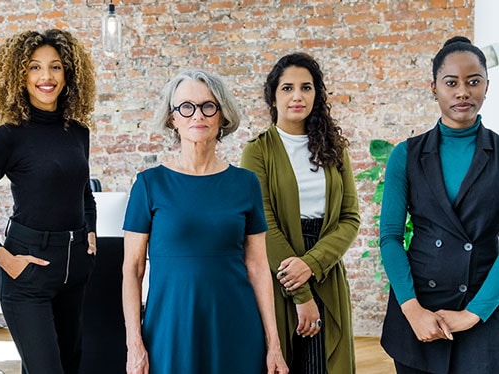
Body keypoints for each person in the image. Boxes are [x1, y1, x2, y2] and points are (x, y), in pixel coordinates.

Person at [122, 69, 288, 374]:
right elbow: (132, 270)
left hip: (236, 325)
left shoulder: (246, 184)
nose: (197, 115)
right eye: (186, 107)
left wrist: (274, 345)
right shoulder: (148, 185)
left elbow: (258, 267)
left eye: (208, 106)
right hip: (169, 329)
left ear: (222, 116)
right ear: (173, 118)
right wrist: (135, 343)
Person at [0, 29, 97, 374]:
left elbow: (82, 190)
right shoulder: (7, 137)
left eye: (55, 67)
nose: (46, 77)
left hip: (74, 268)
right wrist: (4, 259)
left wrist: (91, 232)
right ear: (19, 75)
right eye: (35, 68)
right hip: (27, 270)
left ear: (68, 74)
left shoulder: (78, 132)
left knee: (68, 366)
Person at [380, 36, 499, 373]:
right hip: (418, 308)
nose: (463, 91)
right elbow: (390, 236)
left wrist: (474, 313)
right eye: (452, 82)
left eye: (473, 81)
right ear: (433, 87)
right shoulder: (406, 154)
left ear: (486, 87)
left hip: (483, 308)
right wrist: (412, 309)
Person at [240, 53, 360, 373]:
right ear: (273, 96)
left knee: (325, 364)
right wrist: (301, 293)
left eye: (306, 88)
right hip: (279, 268)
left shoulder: (334, 147)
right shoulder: (257, 150)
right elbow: (262, 224)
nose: (297, 96)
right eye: (288, 88)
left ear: (317, 95)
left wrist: (311, 264)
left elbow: (350, 218)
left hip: (325, 267)